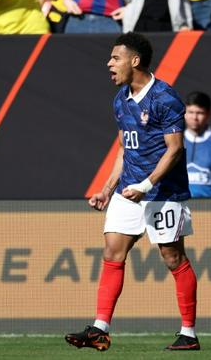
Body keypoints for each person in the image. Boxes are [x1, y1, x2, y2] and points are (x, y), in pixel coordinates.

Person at [64, 33, 199, 352]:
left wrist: (146, 185)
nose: (109, 64)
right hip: (129, 191)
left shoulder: (165, 97)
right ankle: (100, 329)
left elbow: (175, 149)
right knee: (112, 252)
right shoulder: (120, 100)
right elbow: (125, 147)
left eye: (115, 58)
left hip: (163, 193)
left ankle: (188, 333)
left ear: (134, 61)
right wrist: (107, 189)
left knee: (172, 257)